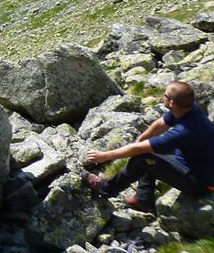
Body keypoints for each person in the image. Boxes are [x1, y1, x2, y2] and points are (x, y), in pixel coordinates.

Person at [84, 81, 214, 213]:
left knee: (143, 157)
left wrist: (104, 156)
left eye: (165, 95)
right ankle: (144, 199)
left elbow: (140, 149)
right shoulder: (190, 108)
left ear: (171, 103)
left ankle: (105, 188)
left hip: (201, 182)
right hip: (197, 163)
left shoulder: (183, 131)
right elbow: (163, 122)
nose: (163, 95)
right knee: (151, 151)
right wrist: (142, 138)